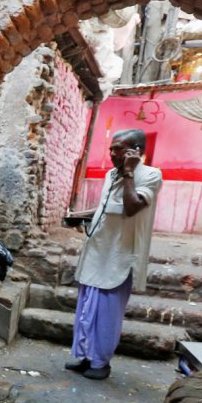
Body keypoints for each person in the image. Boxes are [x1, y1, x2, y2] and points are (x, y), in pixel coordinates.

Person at [63, 129, 162, 380]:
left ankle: (101, 364)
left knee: (106, 313)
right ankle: (85, 357)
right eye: (111, 148)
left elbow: (131, 207)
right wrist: (81, 215)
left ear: (136, 150)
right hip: (97, 252)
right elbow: (107, 208)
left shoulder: (151, 175)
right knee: (86, 309)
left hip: (119, 255)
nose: (112, 153)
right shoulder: (110, 175)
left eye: (118, 148)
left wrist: (129, 172)